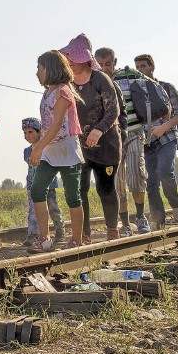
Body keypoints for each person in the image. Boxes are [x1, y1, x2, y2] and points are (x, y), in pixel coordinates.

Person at [61, 34, 122, 242]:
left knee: (105, 188)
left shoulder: (100, 79)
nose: (72, 64)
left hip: (106, 145)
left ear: (86, 59)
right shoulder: (67, 83)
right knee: (80, 189)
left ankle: (112, 230)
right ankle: (83, 234)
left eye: (76, 59)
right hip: (80, 146)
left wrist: (99, 130)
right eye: (69, 59)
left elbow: (113, 110)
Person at [28, 50, 85, 253]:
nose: (36, 73)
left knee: (72, 195)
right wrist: (41, 147)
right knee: (37, 189)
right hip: (50, 152)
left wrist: (39, 147)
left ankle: (77, 239)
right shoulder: (47, 93)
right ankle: (44, 238)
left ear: (49, 69)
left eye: (39, 68)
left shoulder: (63, 92)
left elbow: (57, 124)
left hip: (66, 151)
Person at [96, 47, 150, 235]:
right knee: (117, 182)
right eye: (100, 64)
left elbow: (147, 92)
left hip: (134, 132)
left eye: (108, 64)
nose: (104, 68)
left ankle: (141, 217)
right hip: (111, 138)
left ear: (114, 62)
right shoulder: (94, 82)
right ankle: (125, 223)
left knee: (136, 176)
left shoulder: (128, 76)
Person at [134, 54, 178, 229]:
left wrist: (163, 127)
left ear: (151, 67)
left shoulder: (166, 87)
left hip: (167, 137)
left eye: (143, 66)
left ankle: (176, 204)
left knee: (165, 171)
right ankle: (158, 219)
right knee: (150, 182)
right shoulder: (135, 92)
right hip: (146, 141)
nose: (141, 70)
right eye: (138, 67)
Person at [20, 118, 64, 246]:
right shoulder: (27, 151)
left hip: (48, 184)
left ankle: (59, 228)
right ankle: (32, 234)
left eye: (31, 132)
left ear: (39, 132)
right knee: (33, 210)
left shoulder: (47, 147)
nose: (28, 135)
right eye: (25, 133)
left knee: (53, 209)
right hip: (32, 185)